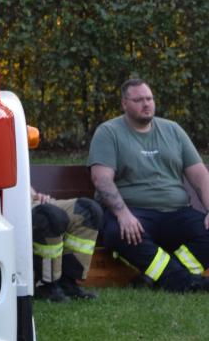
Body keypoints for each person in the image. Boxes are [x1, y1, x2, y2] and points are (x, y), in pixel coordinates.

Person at [88, 76, 209, 292]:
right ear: (124, 103)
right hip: (135, 213)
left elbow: (200, 175)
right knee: (119, 233)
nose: (146, 104)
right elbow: (101, 179)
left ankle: (164, 277)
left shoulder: (173, 130)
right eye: (139, 100)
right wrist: (123, 214)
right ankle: (184, 281)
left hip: (176, 211)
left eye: (149, 98)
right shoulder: (108, 132)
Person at [30, 186, 100, 302]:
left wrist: (34, 195)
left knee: (88, 210)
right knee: (50, 216)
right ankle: (47, 285)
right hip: (11, 208)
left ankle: (68, 282)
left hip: (33, 201)